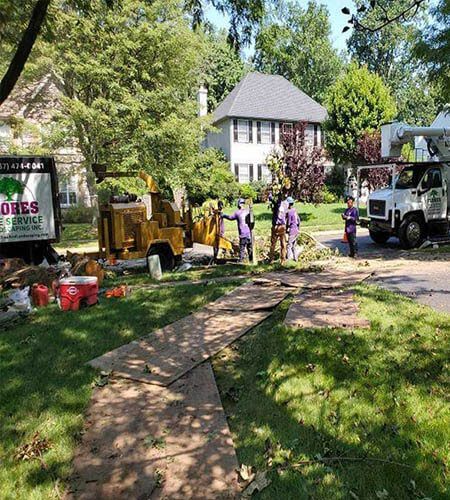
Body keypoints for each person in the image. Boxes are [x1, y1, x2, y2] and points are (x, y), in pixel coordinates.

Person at [269, 195, 287, 264]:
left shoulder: (277, 204)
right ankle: (283, 260)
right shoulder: (286, 204)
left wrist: (270, 195)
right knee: (283, 244)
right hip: (282, 226)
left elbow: (271, 199)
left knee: (273, 244)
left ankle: (271, 260)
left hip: (276, 226)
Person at [286, 196, 300, 261]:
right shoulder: (295, 210)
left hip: (292, 230)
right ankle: (296, 258)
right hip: (296, 230)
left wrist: (286, 229)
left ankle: (289, 259)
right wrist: (298, 228)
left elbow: (288, 223)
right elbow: (298, 220)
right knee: (294, 245)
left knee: (289, 245)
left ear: (288, 204)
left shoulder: (289, 212)